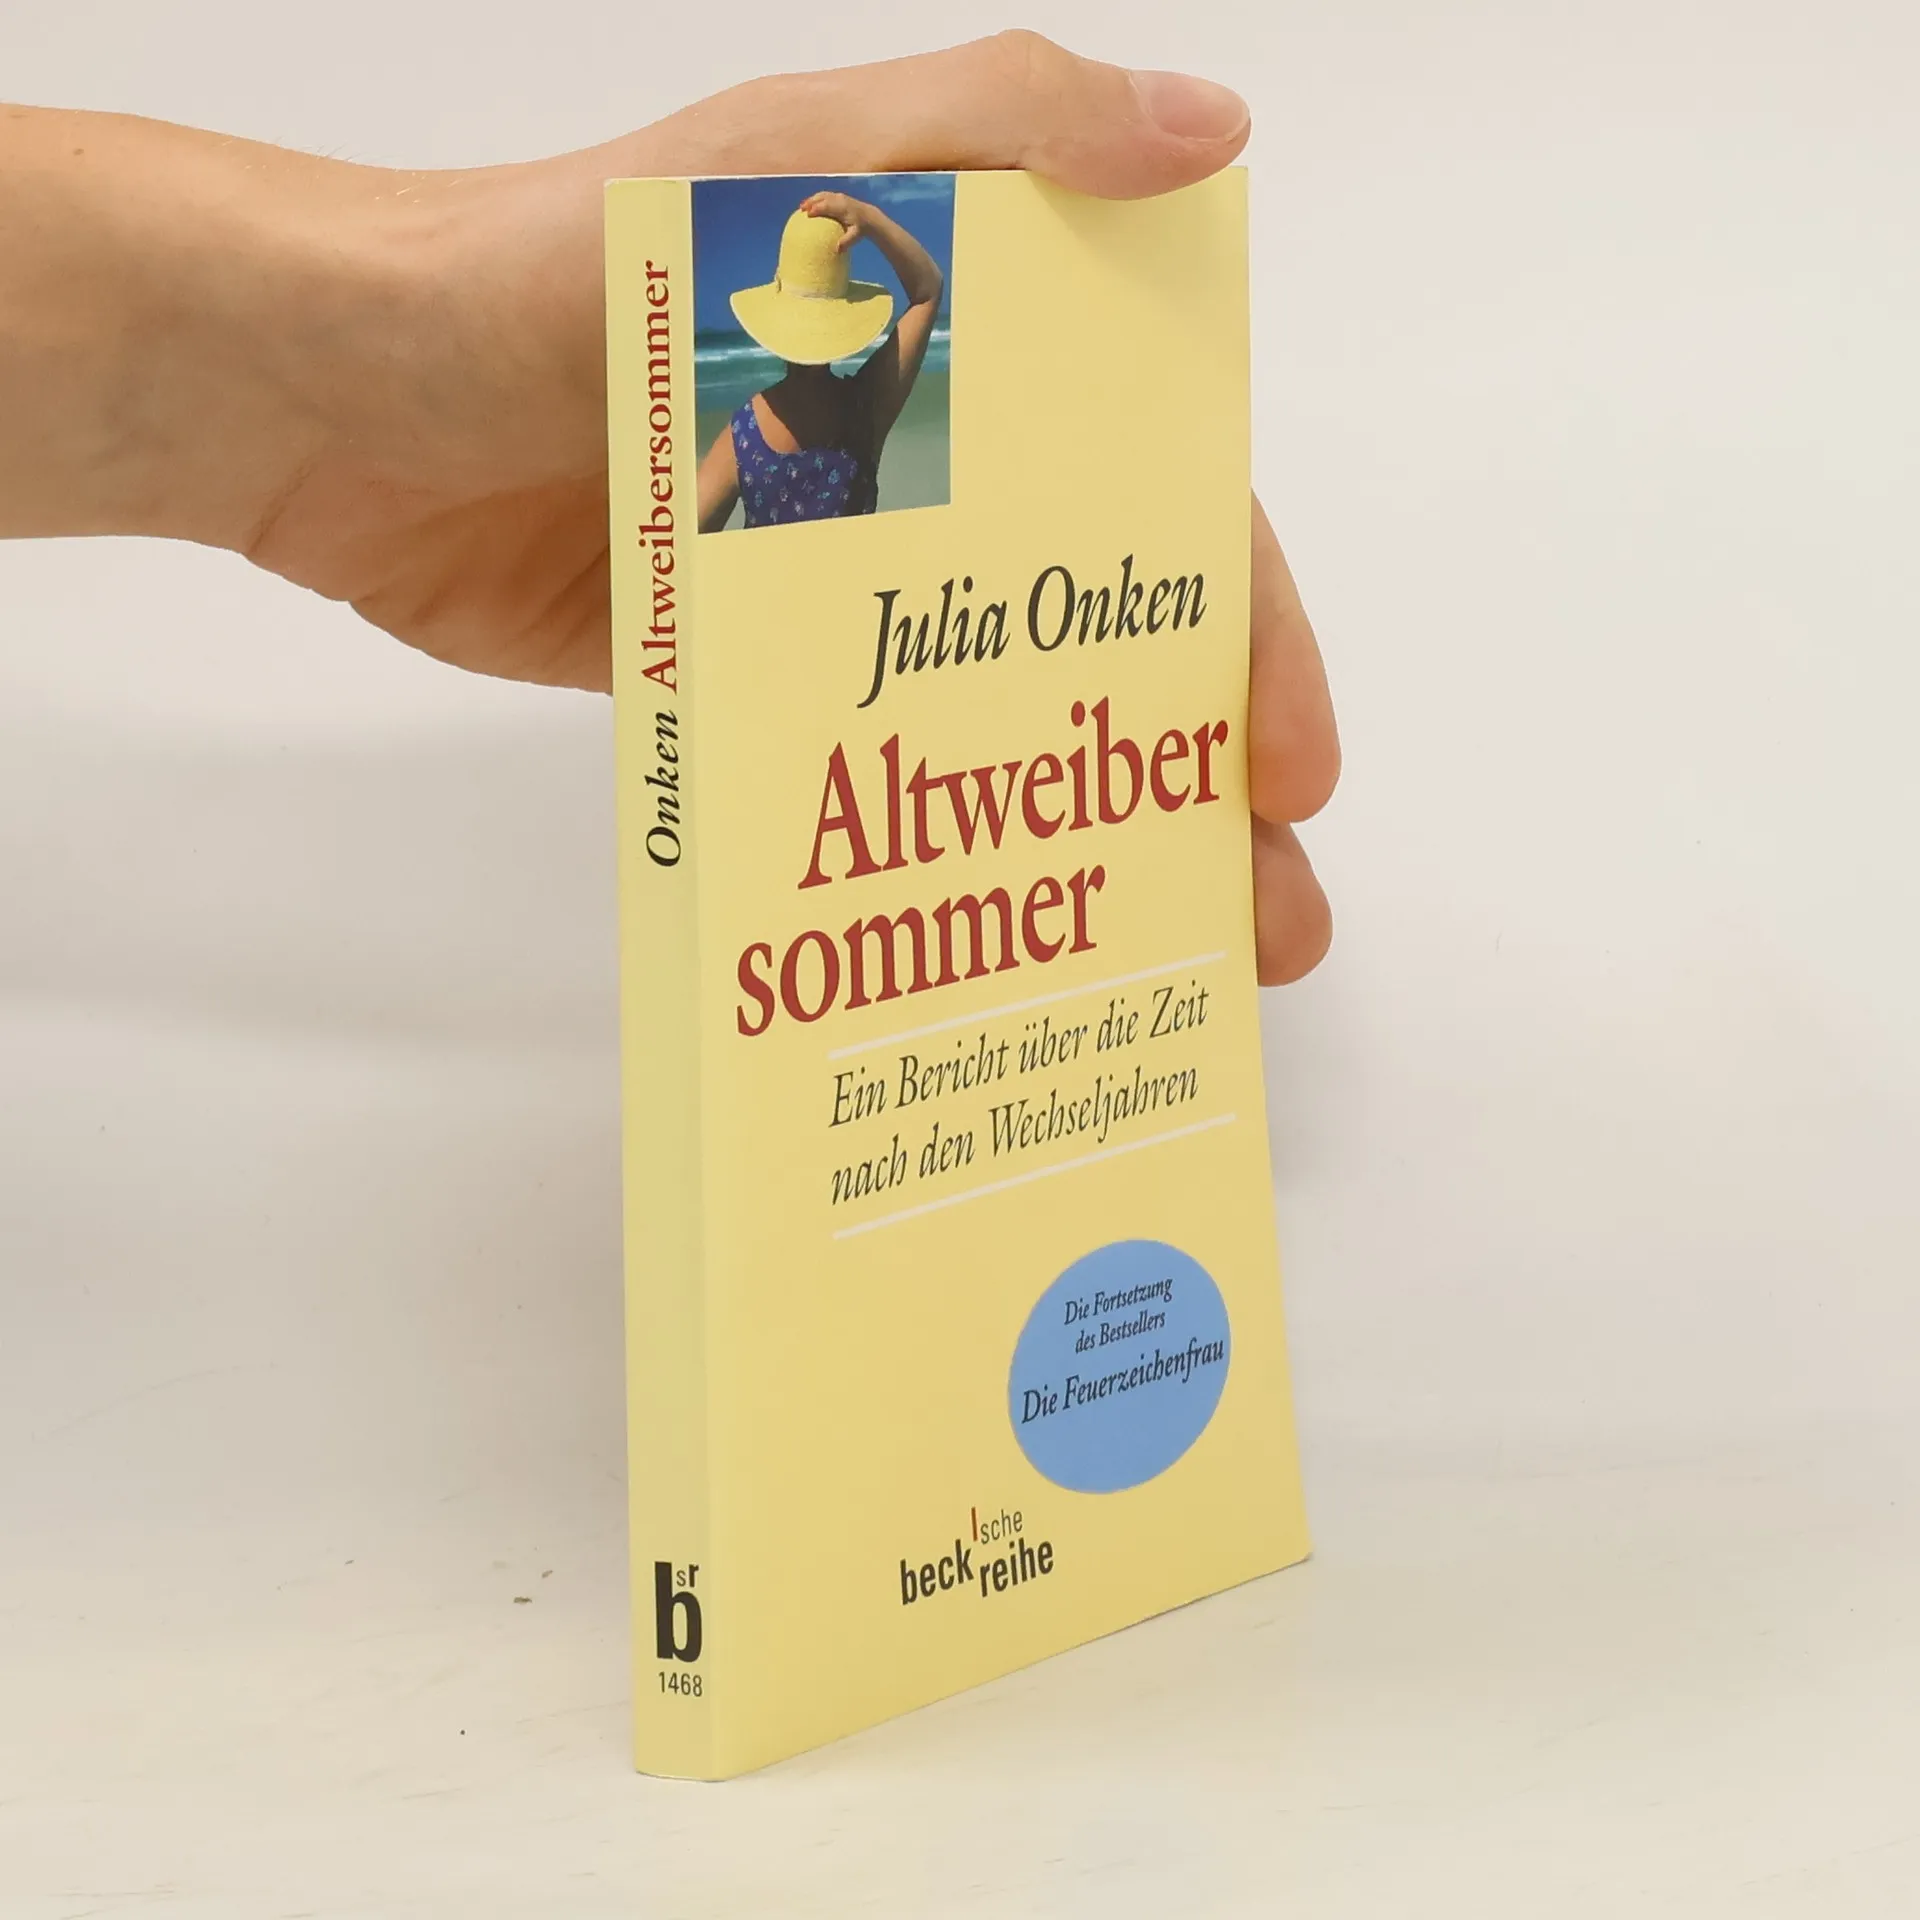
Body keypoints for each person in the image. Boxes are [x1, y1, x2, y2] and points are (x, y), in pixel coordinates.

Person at [0, 32, 1339, 985]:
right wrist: (879, 233)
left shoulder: (747, 427)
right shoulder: (864, 408)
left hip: (804, 667)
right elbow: (925, 300)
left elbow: (684, 552)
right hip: (889, 652)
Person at [698, 192, 944, 532]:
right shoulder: (867, 405)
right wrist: (869, 218)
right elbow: (928, 290)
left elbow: (684, 542)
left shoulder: (742, 436)